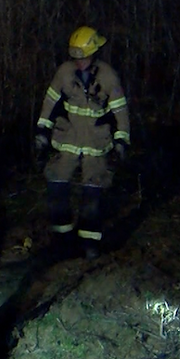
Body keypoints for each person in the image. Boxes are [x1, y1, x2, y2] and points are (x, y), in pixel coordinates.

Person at [34, 26, 131, 260]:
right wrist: (41, 131)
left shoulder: (108, 77)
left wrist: (121, 141)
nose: (78, 62)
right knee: (56, 189)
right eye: (75, 57)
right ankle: (63, 240)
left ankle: (89, 245)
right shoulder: (64, 73)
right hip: (67, 139)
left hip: (96, 143)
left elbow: (121, 112)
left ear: (94, 53)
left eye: (83, 57)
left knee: (92, 198)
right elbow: (49, 103)